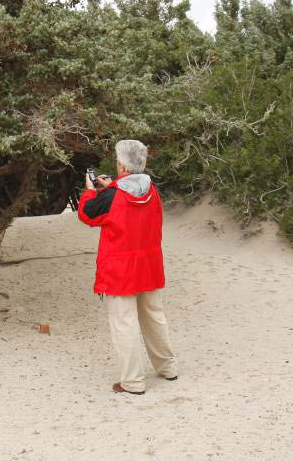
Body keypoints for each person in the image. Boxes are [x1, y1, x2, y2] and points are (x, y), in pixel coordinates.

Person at [78, 139, 179, 395]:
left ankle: (133, 381)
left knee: (125, 323)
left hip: (120, 270)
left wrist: (90, 189)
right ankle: (167, 368)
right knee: (154, 317)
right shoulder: (152, 190)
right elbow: (128, 197)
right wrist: (110, 186)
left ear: (121, 165)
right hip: (149, 264)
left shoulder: (112, 195)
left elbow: (88, 214)